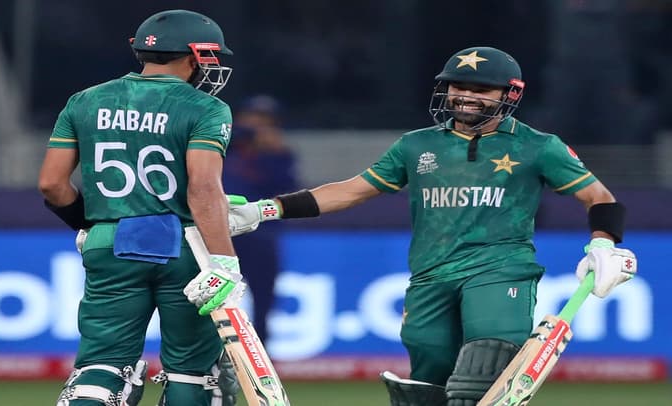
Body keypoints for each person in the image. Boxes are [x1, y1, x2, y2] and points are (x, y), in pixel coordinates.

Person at [226, 46, 637, 406]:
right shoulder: (416, 145)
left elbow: (600, 197)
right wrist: (266, 210)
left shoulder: (538, 146)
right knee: (426, 386)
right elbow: (351, 190)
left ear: (509, 95)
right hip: (429, 277)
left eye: (481, 89)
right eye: (458, 86)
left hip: (499, 270)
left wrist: (602, 244)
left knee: (481, 369)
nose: (466, 96)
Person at [38, 9, 244, 406]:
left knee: (101, 367)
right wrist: (224, 261)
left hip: (110, 242)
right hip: (183, 245)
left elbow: (52, 184)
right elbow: (203, 188)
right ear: (195, 56)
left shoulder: (85, 101)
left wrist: (93, 224)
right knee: (194, 374)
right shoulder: (206, 107)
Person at [223, 95, 298, 344]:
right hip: (221, 233)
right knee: (214, 295)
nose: (257, 125)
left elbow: (285, 190)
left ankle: (261, 354)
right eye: (253, 118)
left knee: (264, 298)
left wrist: (273, 153)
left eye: (265, 121)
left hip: (261, 235)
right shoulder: (222, 146)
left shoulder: (277, 155)